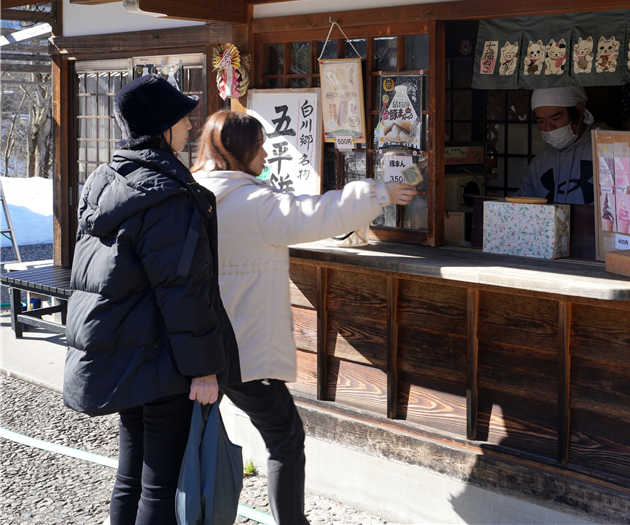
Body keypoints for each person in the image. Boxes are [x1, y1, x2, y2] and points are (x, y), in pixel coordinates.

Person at [191, 110, 417, 525]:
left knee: (188, 438)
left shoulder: (191, 193)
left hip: (195, 345)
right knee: (285, 437)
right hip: (241, 345)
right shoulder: (253, 202)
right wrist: (379, 192)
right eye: (259, 145)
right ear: (240, 151)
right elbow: (317, 213)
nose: (265, 153)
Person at [63, 74, 240, 525]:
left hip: (125, 354)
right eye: (183, 117)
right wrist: (203, 368)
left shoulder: (108, 180)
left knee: (131, 475)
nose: (190, 125)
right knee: (160, 483)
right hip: (163, 360)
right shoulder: (167, 195)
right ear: (162, 127)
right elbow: (183, 290)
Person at [515, 87, 605, 205]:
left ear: (579, 112)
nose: (548, 127)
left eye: (555, 118)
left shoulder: (608, 148)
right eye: (541, 121)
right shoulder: (539, 163)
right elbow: (523, 206)